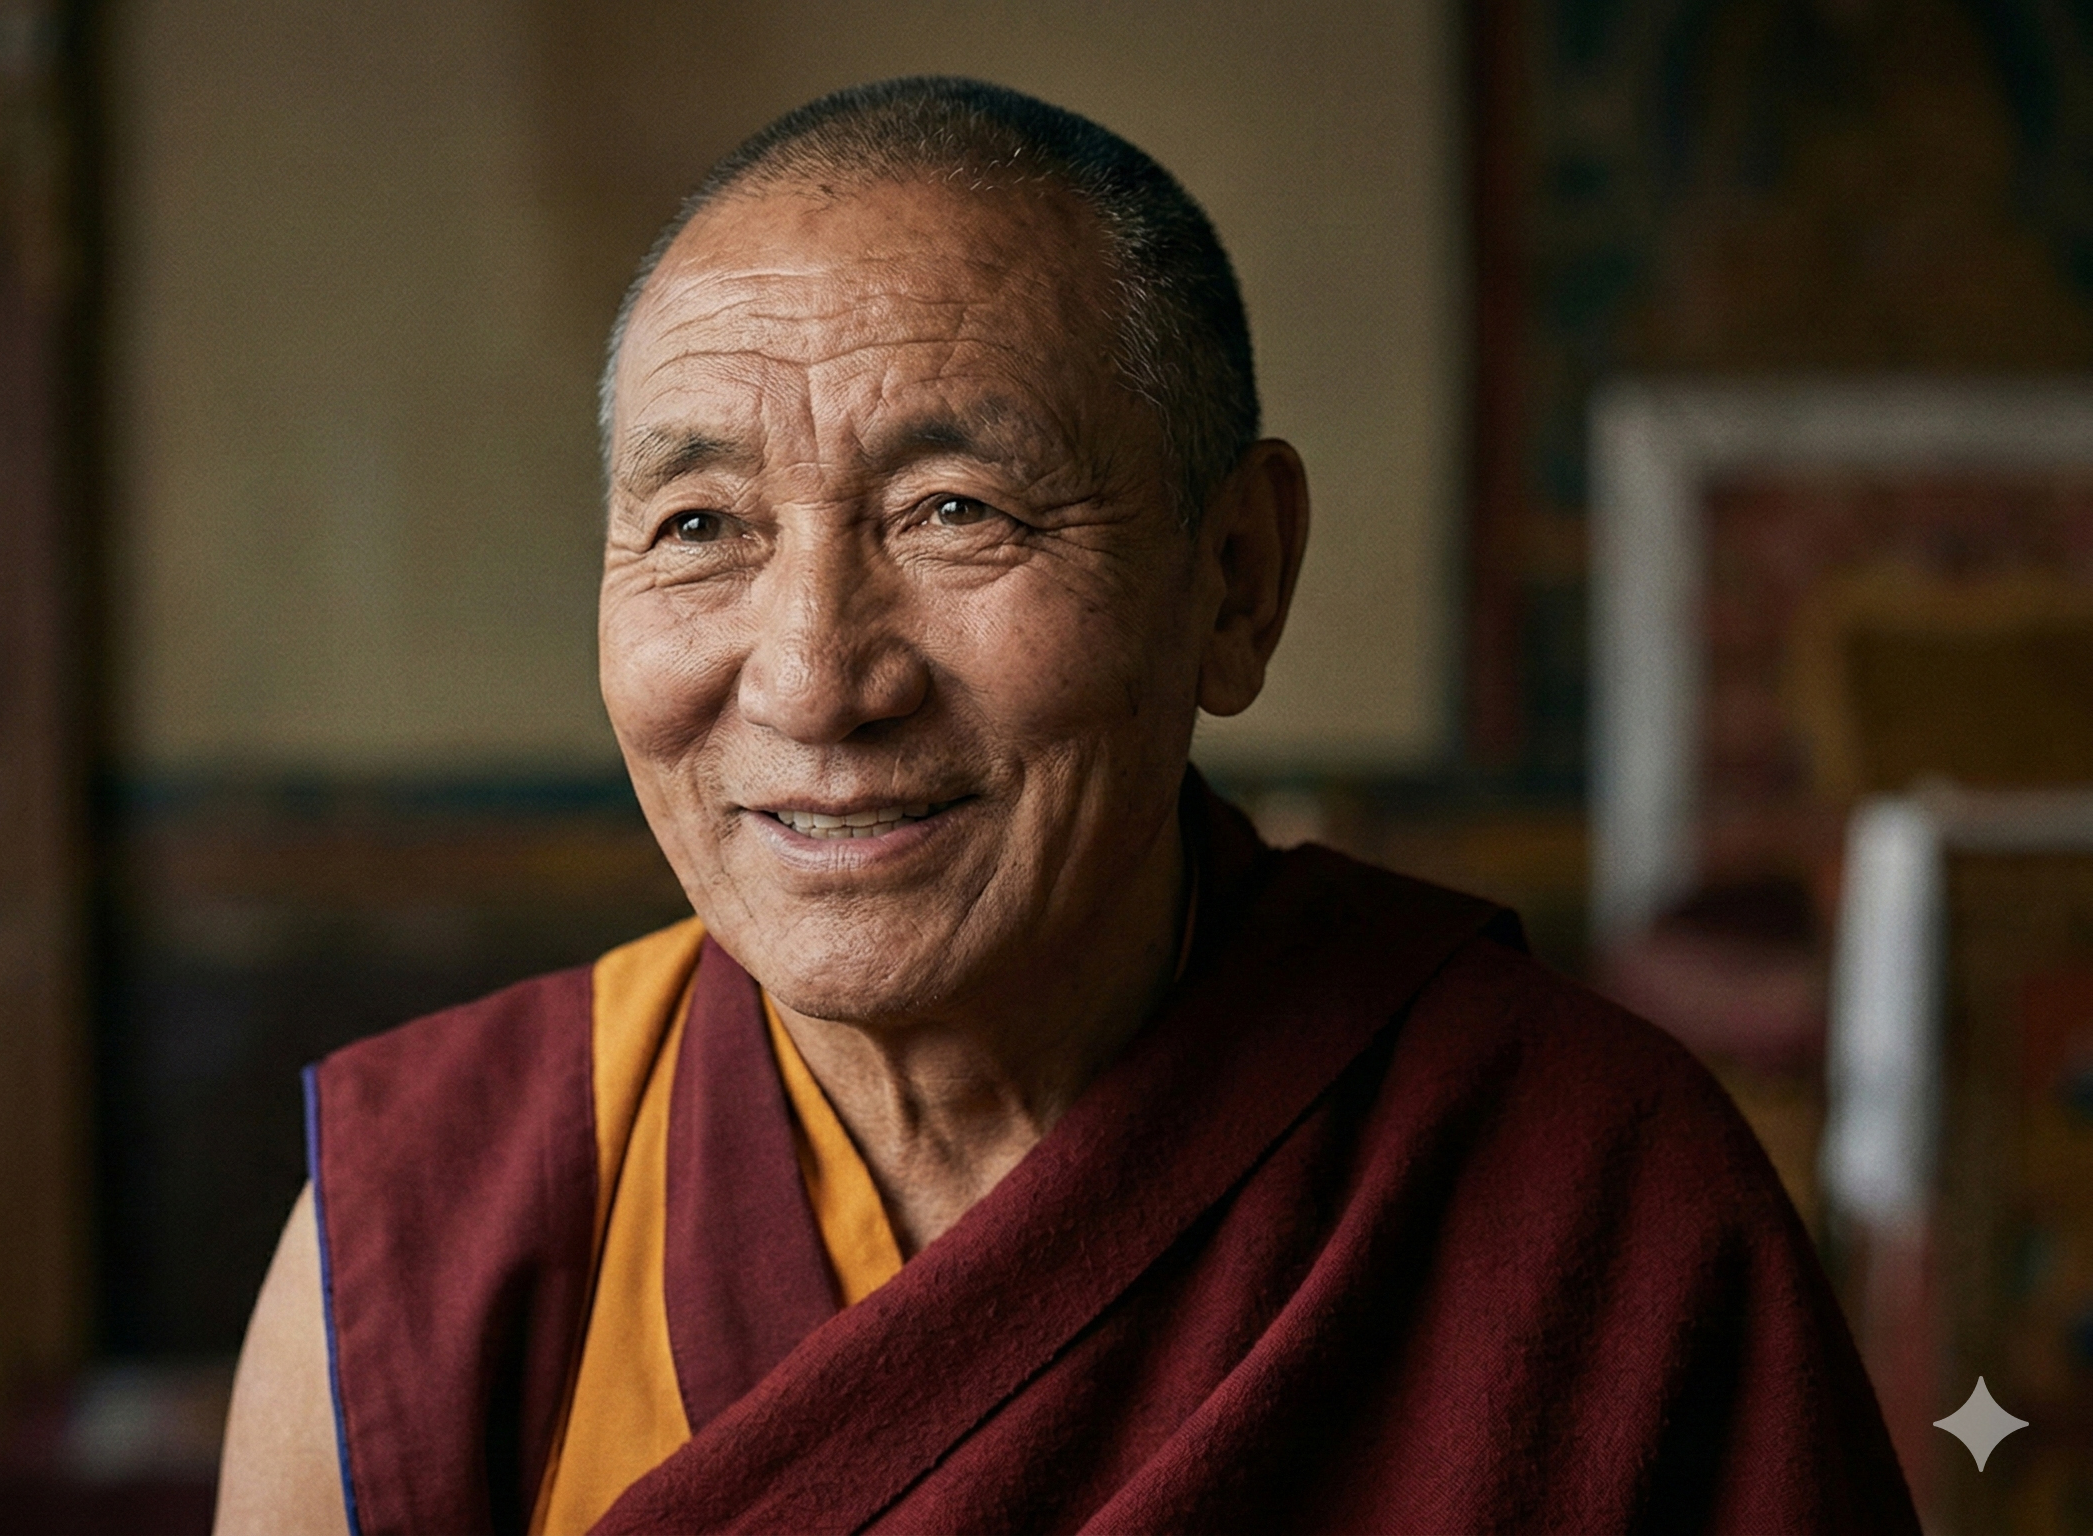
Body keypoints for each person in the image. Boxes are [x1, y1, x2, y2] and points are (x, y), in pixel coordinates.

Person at [215, 77, 1917, 1535]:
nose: (813, 679)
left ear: (1235, 580)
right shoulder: (440, 1226)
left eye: (959, 511)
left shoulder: (1583, 1187)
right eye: (699, 528)